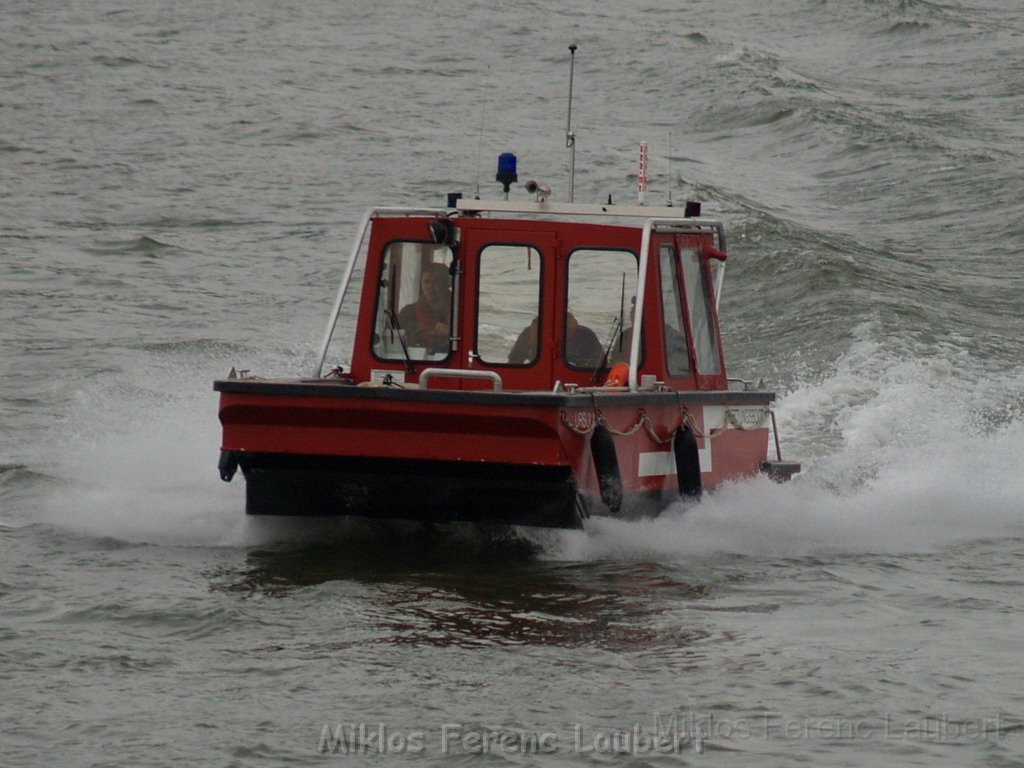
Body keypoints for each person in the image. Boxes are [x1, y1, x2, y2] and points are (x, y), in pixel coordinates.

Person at [507, 311, 603, 367]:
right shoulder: (529, 333)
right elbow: (513, 363)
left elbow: (599, 365)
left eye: (567, 328)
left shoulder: (585, 335)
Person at [397, 262, 451, 353]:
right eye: (427, 282)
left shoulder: (460, 311)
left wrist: (450, 333)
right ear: (421, 284)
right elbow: (397, 344)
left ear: (446, 284)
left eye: (436, 281)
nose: (431, 286)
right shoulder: (407, 313)